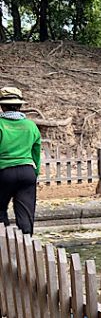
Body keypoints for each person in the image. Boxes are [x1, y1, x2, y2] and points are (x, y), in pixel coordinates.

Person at [0, 85, 41, 236]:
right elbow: (36, 153)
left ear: (2, 106)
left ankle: (4, 243)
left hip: (4, 172)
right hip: (27, 172)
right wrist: (35, 173)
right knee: (26, 214)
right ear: (19, 106)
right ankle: (27, 246)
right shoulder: (31, 126)